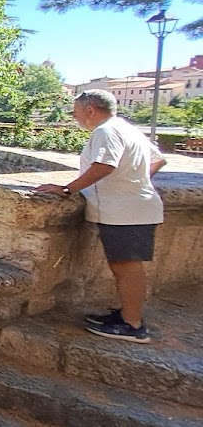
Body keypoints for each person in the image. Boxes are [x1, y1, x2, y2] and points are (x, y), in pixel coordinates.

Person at [35, 89, 166, 343]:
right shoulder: (126, 128)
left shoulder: (106, 131)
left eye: (75, 113)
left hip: (125, 212)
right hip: (132, 207)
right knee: (124, 265)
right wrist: (135, 182)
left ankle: (133, 324)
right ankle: (128, 314)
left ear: (90, 110)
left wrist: (67, 189)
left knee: (126, 267)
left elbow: (106, 164)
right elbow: (158, 160)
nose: (75, 118)